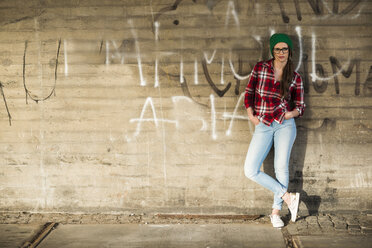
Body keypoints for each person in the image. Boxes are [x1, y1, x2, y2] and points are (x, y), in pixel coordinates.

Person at [243, 33, 305, 228]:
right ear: (272, 51)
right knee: (250, 170)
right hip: (262, 124)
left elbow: (301, 106)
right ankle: (289, 198)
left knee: (280, 168)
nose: (281, 53)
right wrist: (250, 114)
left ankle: (276, 212)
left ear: (289, 51)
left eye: (284, 49)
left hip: (285, 125)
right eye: (277, 49)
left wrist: (289, 115)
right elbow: (249, 92)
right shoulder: (260, 68)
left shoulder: (295, 77)